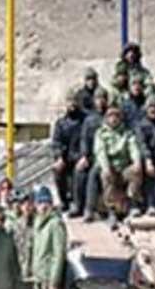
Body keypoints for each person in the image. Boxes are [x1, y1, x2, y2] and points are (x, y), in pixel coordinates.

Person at [95, 105, 144, 225]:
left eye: (116, 115)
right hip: (110, 168)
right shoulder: (101, 133)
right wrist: (106, 167)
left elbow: (133, 148)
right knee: (105, 175)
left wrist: (137, 162)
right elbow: (100, 152)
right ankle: (111, 210)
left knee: (136, 171)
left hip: (124, 168)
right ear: (106, 118)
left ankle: (132, 203)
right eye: (110, 115)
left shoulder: (127, 132)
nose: (114, 118)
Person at [75, 88, 109, 221]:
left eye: (103, 98)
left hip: (107, 157)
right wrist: (84, 156)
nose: (100, 101)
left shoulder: (111, 116)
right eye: (98, 98)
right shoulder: (89, 120)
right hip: (92, 155)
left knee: (94, 174)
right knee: (79, 172)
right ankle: (78, 205)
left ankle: (89, 209)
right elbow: (84, 139)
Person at [51, 91, 85, 213]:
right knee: (57, 171)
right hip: (66, 157)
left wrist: (84, 156)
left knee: (79, 172)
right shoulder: (61, 123)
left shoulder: (84, 121)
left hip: (80, 156)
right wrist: (59, 157)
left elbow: (86, 140)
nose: (72, 104)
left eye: (74, 101)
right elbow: (56, 142)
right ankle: (64, 201)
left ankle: (77, 203)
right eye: (70, 101)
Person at [135, 97, 155, 216]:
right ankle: (150, 205)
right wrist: (148, 160)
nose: (153, 110)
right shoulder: (141, 125)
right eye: (150, 107)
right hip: (146, 157)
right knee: (148, 173)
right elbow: (142, 144)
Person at [29, 187, 66, 289]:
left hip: (48, 278)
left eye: (46, 202)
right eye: (40, 202)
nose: (43, 205)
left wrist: (54, 281)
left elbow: (58, 254)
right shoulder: (37, 221)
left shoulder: (55, 223)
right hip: (38, 277)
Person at [8, 191, 36, 288]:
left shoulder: (38, 224)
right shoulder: (16, 225)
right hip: (21, 274)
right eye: (23, 204)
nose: (26, 207)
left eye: (29, 204)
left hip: (36, 274)